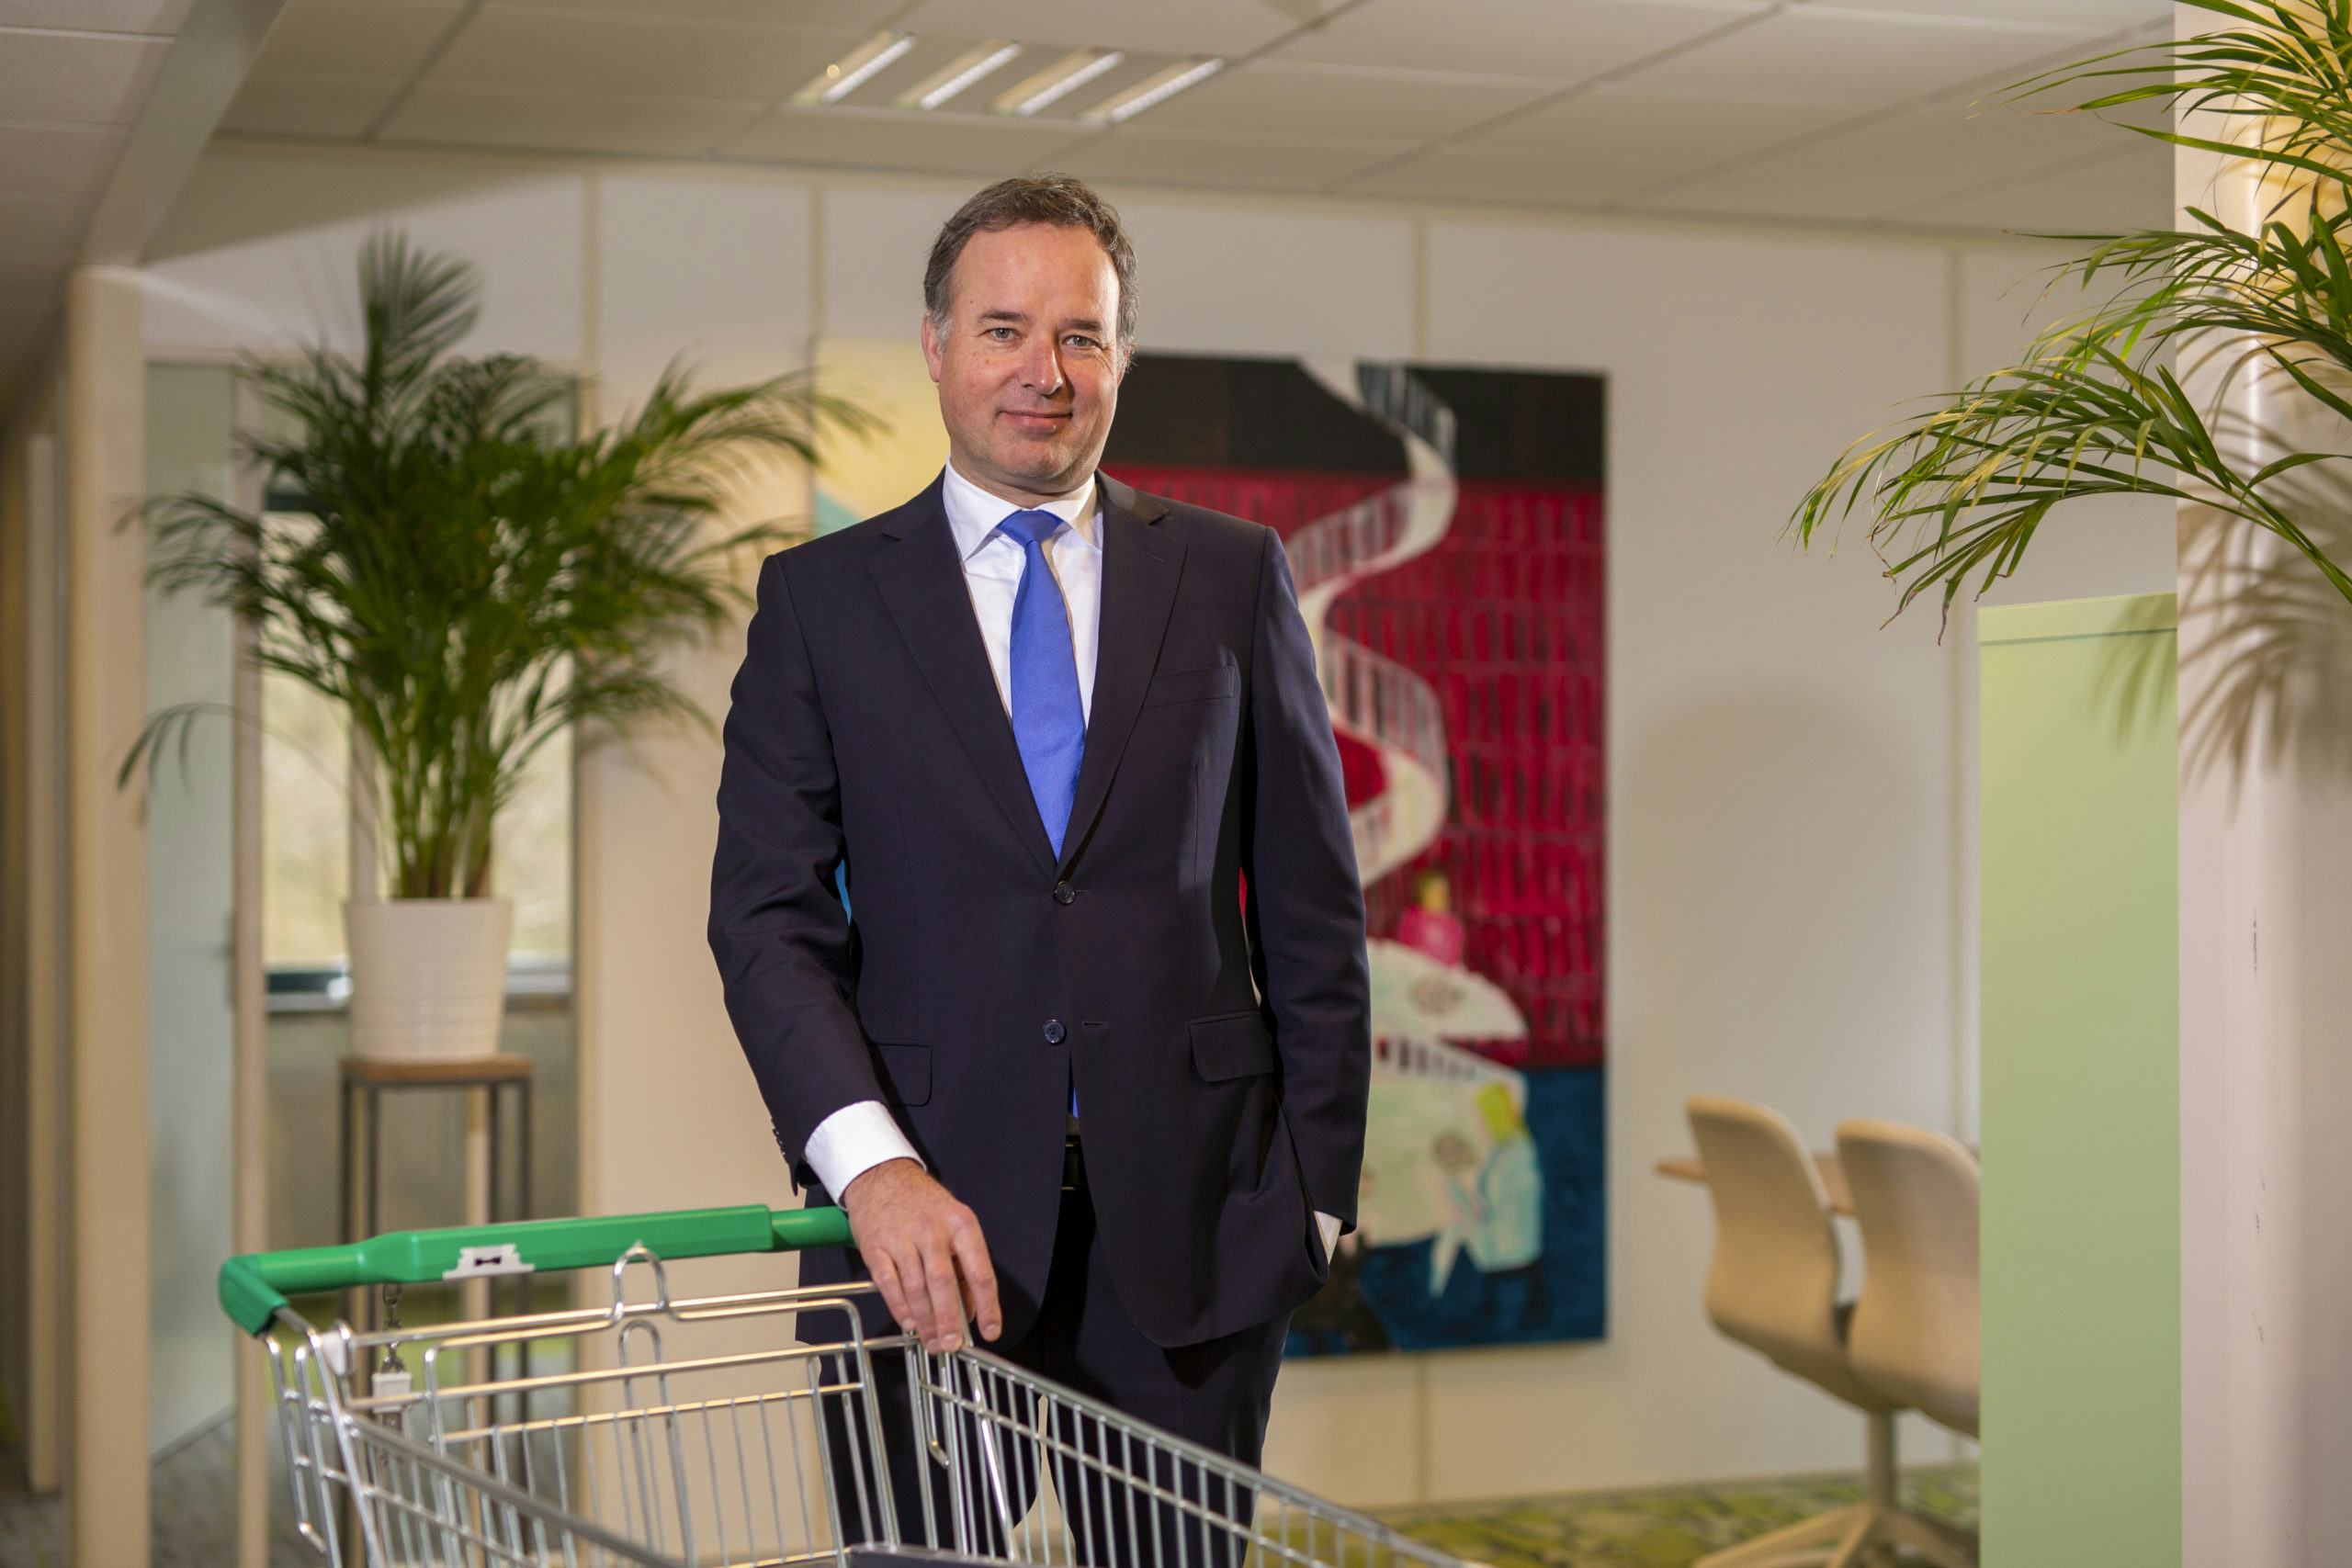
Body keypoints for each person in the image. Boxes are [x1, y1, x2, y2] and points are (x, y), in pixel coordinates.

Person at [707, 173, 1371, 1565]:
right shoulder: (820, 605)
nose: (1044, 372)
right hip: (922, 1235)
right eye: (1004, 330)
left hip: (1196, 1241)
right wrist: (870, 1173)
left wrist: (1314, 1195)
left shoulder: (1232, 578)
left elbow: (1313, 910)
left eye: (1081, 336)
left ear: (1122, 357)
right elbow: (768, 924)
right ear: (937, 345)